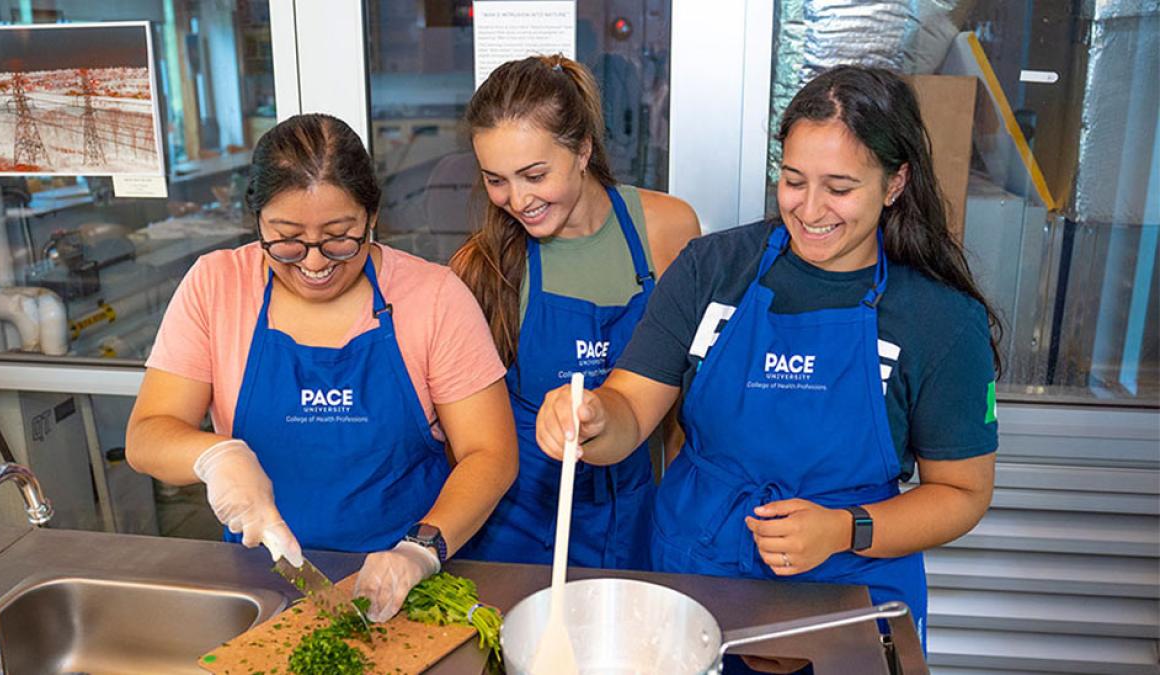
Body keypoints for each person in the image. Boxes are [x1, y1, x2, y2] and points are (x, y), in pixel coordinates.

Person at [534, 65, 999, 663]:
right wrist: (591, 418)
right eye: (793, 180)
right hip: (696, 579)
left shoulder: (938, 317)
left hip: (848, 594)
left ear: (894, 182)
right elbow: (629, 408)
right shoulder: (713, 268)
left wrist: (844, 529)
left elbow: (962, 492)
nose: (809, 209)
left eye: (839, 187)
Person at [126, 113, 516, 622]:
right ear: (257, 219)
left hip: (410, 588)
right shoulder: (216, 286)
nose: (314, 262)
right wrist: (213, 456)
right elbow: (147, 435)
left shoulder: (434, 297)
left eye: (339, 236)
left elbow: (492, 453)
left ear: (372, 217)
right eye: (286, 237)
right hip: (257, 586)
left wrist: (419, 550)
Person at [450, 55, 701, 569]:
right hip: (514, 525)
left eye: (534, 174)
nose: (517, 200)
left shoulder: (667, 229)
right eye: (496, 180)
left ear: (583, 149)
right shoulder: (484, 267)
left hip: (632, 515)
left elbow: (683, 404)